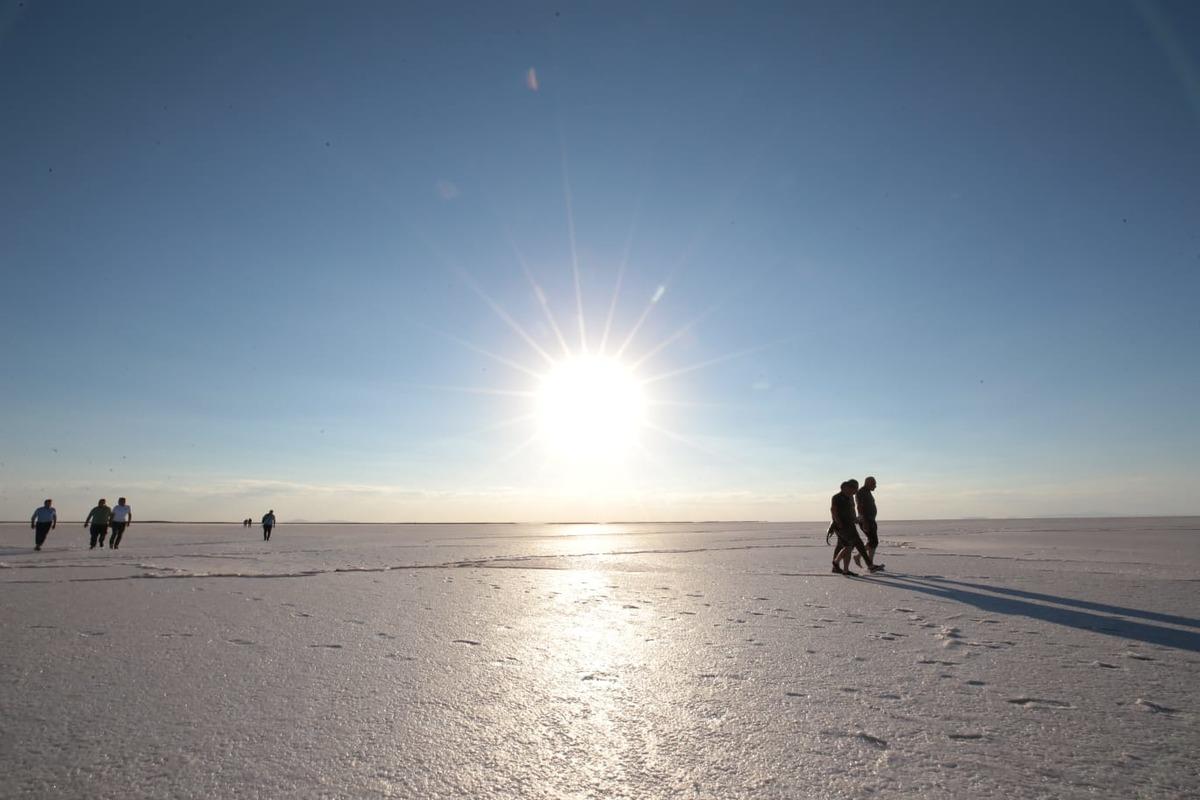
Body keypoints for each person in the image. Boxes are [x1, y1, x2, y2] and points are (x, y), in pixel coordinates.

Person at [831, 480, 882, 575]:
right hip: (842, 526)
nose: (855, 490)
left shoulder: (848, 498)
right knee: (858, 544)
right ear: (846, 488)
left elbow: (851, 511)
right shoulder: (837, 497)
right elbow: (833, 510)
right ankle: (869, 565)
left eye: (856, 488)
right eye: (854, 488)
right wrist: (838, 522)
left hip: (850, 524)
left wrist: (856, 519)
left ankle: (842, 568)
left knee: (847, 546)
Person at [854, 476, 880, 567]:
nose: (875, 486)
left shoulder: (867, 492)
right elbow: (859, 507)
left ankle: (870, 563)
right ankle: (858, 556)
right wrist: (865, 521)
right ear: (868, 483)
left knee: (873, 542)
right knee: (873, 542)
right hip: (866, 520)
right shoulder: (861, 492)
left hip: (870, 520)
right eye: (874, 484)